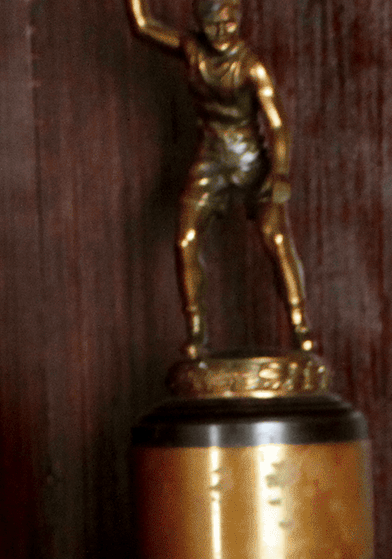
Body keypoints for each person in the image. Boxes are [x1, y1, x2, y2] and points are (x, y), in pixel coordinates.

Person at [127, 0, 314, 358]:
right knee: (185, 240)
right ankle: (196, 332)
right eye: (213, 25)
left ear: (238, 20)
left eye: (228, 24)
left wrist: (279, 172)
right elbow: (142, 24)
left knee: (274, 236)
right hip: (211, 156)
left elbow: (277, 125)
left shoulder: (251, 66)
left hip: (250, 158)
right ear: (201, 23)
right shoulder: (192, 50)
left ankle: (300, 326)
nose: (222, 32)